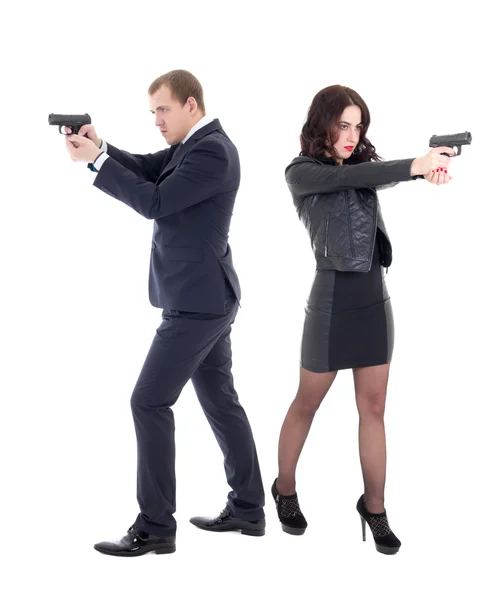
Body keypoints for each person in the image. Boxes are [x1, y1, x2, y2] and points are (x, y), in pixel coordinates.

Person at [64, 69, 265, 557]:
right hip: (204, 296)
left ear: (191, 105)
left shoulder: (213, 151)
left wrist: (96, 165)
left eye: (162, 109)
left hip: (198, 305)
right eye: (152, 111)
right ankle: (248, 507)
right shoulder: (192, 146)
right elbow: (149, 168)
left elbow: (155, 201)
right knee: (219, 400)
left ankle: (155, 525)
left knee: (148, 402)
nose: (156, 120)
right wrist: (103, 148)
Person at [271, 85, 455, 555]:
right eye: (343, 124)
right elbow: (358, 178)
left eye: (358, 126)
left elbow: (380, 174)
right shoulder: (302, 173)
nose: (351, 135)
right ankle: (284, 490)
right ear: (322, 124)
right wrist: (416, 164)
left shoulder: (362, 170)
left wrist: (425, 169)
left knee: (373, 409)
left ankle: (375, 508)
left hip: (375, 300)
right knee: (307, 403)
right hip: (331, 303)